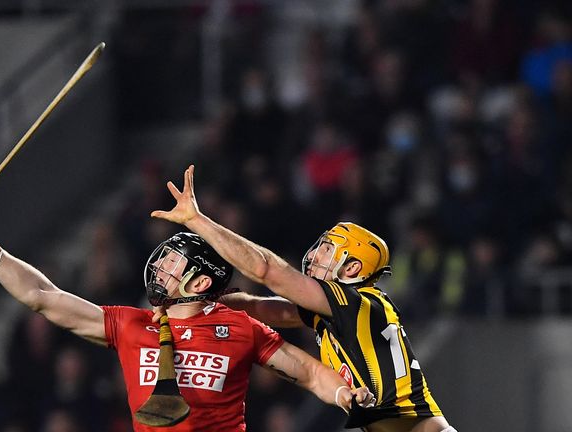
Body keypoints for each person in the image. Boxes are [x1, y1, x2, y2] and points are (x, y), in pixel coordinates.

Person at [0, 193, 375, 431]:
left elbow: (308, 372)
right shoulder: (132, 325)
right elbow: (42, 295)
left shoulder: (239, 328)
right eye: (165, 256)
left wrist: (344, 394)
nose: (161, 265)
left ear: (201, 283)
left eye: (175, 263)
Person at [151, 165, 455, 432]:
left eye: (328, 249)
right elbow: (265, 309)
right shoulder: (345, 309)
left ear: (352, 268)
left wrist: (197, 220)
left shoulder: (354, 300)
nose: (316, 254)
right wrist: (194, 302)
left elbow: (266, 270)